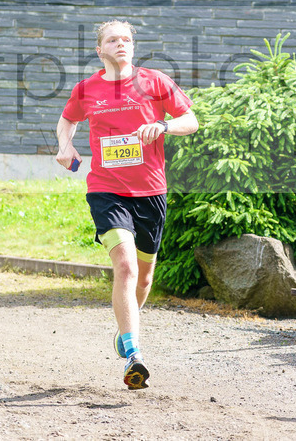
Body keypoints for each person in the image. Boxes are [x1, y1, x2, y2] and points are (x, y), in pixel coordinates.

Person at [56, 20, 198, 390]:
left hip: (151, 192)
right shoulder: (87, 89)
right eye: (112, 39)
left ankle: (125, 330)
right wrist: (64, 146)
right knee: (125, 265)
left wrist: (164, 127)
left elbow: (190, 120)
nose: (121, 44)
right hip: (106, 189)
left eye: (127, 39)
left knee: (145, 277)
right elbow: (67, 120)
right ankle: (134, 354)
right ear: (99, 49)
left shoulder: (155, 81)